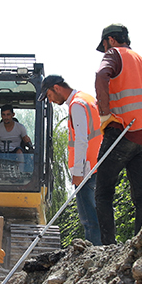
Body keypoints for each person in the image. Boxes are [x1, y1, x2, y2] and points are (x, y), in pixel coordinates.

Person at [93, 23, 142, 245]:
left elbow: (101, 75)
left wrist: (104, 113)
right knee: (141, 195)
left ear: (110, 40)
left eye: (104, 45)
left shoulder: (114, 54)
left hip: (121, 130)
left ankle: (108, 248)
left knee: (103, 193)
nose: (104, 49)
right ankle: (141, 243)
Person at [42, 74, 102, 245]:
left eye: (49, 95)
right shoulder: (87, 99)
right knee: (100, 215)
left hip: (87, 170)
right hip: (98, 165)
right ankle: (105, 249)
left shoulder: (76, 105)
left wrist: (78, 172)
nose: (50, 100)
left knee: (89, 220)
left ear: (57, 88)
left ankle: (95, 253)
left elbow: (81, 140)